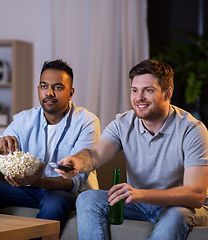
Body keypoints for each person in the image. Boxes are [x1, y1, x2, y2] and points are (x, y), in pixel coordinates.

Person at [57, 59, 208, 240]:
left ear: (167, 94)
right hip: (139, 203)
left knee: (177, 213)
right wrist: (76, 162)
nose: (139, 98)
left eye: (148, 90)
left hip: (180, 206)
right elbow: (95, 154)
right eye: (134, 90)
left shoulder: (192, 129)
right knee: (87, 199)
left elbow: (195, 194)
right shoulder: (123, 123)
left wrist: (141, 194)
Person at [0, 59, 100, 230]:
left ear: (70, 93)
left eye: (57, 87)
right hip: (31, 189)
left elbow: (74, 183)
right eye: (44, 86)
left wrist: (38, 181)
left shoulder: (86, 122)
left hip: (72, 194)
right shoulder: (23, 120)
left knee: (54, 201)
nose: (49, 93)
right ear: (38, 90)